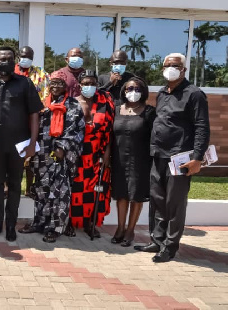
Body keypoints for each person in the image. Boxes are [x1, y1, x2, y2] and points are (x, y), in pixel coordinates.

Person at [134, 53, 210, 263]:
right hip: (158, 154)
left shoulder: (194, 94)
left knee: (174, 203)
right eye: (167, 65)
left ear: (184, 69)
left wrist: (197, 158)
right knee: (157, 200)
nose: (171, 69)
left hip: (180, 157)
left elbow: (202, 127)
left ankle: (170, 246)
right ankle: (156, 240)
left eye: (175, 66)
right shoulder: (162, 93)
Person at [0, 46, 43, 242]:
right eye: (2, 58)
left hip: (19, 145)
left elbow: (34, 114)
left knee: (16, 185)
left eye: (9, 59)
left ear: (14, 61)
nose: (5, 62)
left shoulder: (25, 83)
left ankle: (11, 225)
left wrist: (33, 143)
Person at [19, 71, 85, 242]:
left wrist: (62, 147)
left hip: (61, 157)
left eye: (60, 84)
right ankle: (39, 222)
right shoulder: (44, 105)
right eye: (53, 83)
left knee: (59, 193)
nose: (55, 87)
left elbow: (76, 130)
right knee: (41, 191)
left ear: (66, 86)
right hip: (42, 156)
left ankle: (55, 228)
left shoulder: (73, 105)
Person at [67, 70, 114, 238]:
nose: (89, 86)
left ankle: (89, 223)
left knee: (94, 191)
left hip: (96, 155)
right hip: (76, 154)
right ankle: (70, 222)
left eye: (93, 83)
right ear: (80, 85)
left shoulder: (105, 105)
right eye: (86, 83)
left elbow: (110, 133)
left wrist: (107, 156)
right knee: (74, 190)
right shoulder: (73, 103)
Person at [111, 77, 156, 247]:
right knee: (122, 194)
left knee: (136, 195)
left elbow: (154, 137)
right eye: (129, 89)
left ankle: (130, 230)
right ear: (123, 91)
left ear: (143, 92)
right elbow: (110, 136)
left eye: (137, 89)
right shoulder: (116, 110)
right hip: (119, 159)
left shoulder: (149, 112)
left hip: (141, 160)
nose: (133, 92)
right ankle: (120, 228)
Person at [15, 46, 51, 197]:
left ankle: (29, 188)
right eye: (24, 55)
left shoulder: (41, 74)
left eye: (29, 56)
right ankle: (10, 188)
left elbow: (46, 94)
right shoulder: (11, 72)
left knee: (32, 155)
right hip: (15, 120)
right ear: (18, 56)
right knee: (13, 157)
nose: (26, 58)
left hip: (34, 118)